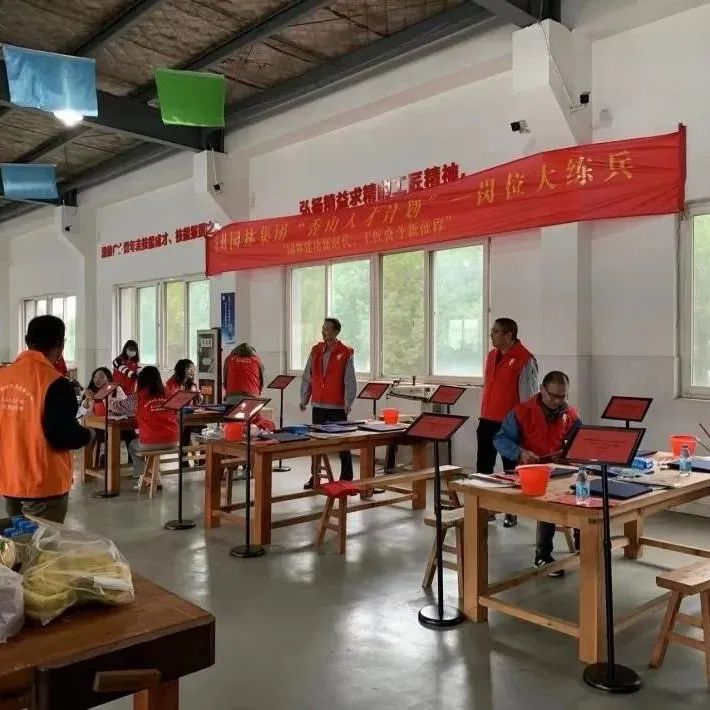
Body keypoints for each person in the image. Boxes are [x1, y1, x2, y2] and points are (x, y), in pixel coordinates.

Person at [0, 315, 93, 522]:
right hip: (43, 483)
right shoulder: (55, 383)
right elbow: (61, 435)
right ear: (60, 346)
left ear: (27, 340)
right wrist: (88, 436)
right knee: (44, 541)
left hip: (10, 479)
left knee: (18, 539)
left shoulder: (3, 377)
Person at [494, 371, 582, 577]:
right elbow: (500, 439)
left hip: (561, 469)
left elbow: (579, 437)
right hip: (532, 471)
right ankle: (542, 556)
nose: (557, 401)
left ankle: (584, 544)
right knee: (548, 501)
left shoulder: (570, 413)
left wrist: (570, 452)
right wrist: (520, 453)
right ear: (542, 389)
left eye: (562, 396)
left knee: (581, 494)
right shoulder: (522, 412)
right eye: (553, 396)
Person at [478, 317, 538, 528]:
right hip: (487, 419)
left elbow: (529, 397)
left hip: (510, 424)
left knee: (511, 469)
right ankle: (483, 508)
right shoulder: (492, 355)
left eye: (495, 331)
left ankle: (511, 511)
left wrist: (525, 425)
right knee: (483, 466)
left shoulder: (524, 359)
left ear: (509, 335)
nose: (491, 335)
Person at [300, 318, 357, 487]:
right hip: (318, 405)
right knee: (316, 443)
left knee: (342, 443)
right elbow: (308, 375)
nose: (323, 331)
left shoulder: (345, 352)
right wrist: (304, 398)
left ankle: (346, 477)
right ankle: (315, 476)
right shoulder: (316, 350)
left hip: (337, 406)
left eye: (327, 328)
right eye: (323, 328)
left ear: (336, 331)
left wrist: (348, 402)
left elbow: (350, 379)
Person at [109, 366, 178, 487]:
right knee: (151, 449)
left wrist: (108, 400)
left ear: (140, 380)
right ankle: (154, 477)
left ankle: (143, 477)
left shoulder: (138, 397)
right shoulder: (169, 394)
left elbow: (118, 407)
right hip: (172, 441)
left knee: (133, 445)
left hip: (150, 442)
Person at [81, 367, 133, 467]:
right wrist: (87, 399)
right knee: (101, 433)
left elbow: (123, 405)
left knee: (129, 432)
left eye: (101, 377)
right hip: (97, 425)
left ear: (108, 378)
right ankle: (103, 459)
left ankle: (133, 461)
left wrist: (107, 401)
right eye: (95, 377)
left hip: (114, 423)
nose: (97, 380)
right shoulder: (90, 391)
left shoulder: (116, 389)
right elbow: (83, 412)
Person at [166, 359, 204, 446]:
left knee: (204, 428)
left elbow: (198, 401)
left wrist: (199, 397)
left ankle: (201, 453)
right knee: (185, 427)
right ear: (182, 369)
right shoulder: (172, 383)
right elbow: (172, 402)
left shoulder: (191, 384)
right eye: (190, 369)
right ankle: (184, 451)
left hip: (189, 415)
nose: (192, 372)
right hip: (176, 416)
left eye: (193, 369)